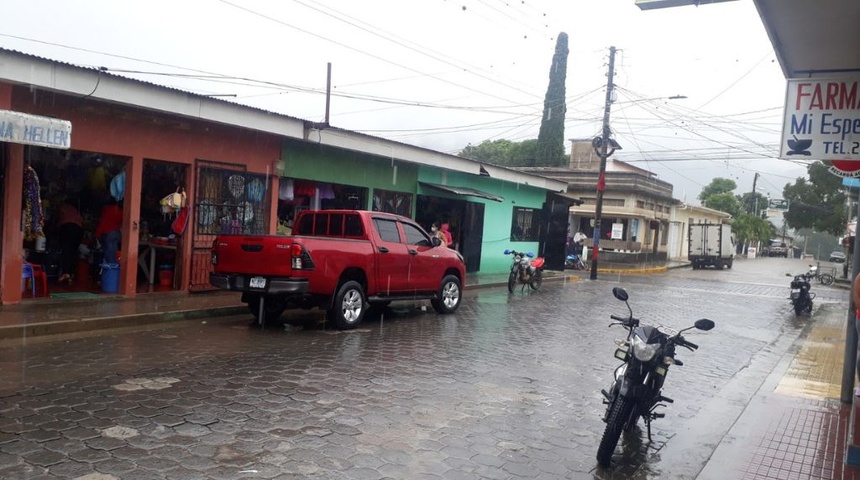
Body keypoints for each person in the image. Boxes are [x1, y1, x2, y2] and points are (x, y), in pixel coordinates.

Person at [57, 200, 84, 284]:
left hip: (67, 227)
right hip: (78, 230)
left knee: (66, 250)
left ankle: (65, 273)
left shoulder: (61, 207)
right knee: (73, 251)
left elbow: (58, 220)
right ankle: (70, 274)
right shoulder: (74, 209)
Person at [96, 198, 123, 264]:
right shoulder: (120, 211)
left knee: (109, 257)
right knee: (113, 255)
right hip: (116, 234)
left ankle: (110, 272)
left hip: (107, 234)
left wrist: (97, 234)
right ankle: (113, 271)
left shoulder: (106, 209)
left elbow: (102, 222)